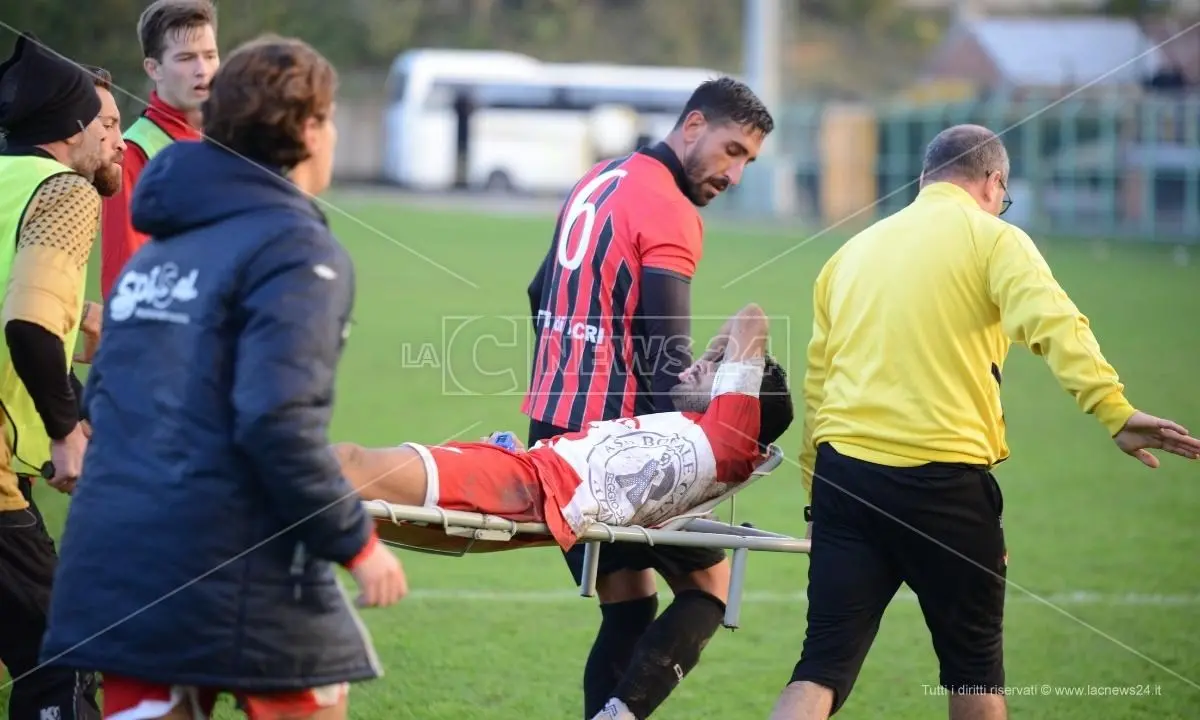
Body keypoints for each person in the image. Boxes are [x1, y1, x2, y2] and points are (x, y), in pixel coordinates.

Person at [770, 124, 1200, 720]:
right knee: (974, 678)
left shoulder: (849, 254)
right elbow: (1057, 325)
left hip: (846, 482)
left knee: (819, 669)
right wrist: (1114, 410)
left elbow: (819, 382)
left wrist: (817, 499)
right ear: (993, 182)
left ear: (926, 178)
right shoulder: (995, 239)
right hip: (943, 484)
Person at [39, 34, 407, 720]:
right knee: (318, 693)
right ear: (307, 129)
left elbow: (104, 404)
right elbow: (275, 420)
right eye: (327, 119)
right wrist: (357, 544)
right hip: (223, 566)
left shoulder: (159, 253)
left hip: (112, 569)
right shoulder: (298, 248)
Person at [521, 76, 774, 720]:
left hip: (549, 435)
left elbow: (535, 291)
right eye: (733, 150)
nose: (735, 175)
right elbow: (666, 379)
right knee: (710, 585)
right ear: (693, 126)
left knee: (630, 604)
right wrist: (729, 382)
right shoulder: (670, 211)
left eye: (748, 160)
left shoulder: (599, 178)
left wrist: (569, 370)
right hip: (612, 454)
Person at [339, 304, 792, 561]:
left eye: (716, 366)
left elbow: (750, 318)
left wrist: (720, 367)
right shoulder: (703, 437)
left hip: (523, 484)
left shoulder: (728, 440)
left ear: (743, 402)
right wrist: (711, 372)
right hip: (521, 473)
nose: (698, 364)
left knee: (349, 467)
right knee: (350, 486)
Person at [0, 33, 126, 720]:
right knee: (64, 652)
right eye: (104, 123)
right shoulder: (65, 192)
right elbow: (24, 324)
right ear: (74, 126)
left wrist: (76, 318)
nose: (114, 140)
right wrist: (67, 428)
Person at [99, 0, 219, 298]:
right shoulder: (131, 153)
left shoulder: (226, 141)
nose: (202, 70)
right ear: (154, 68)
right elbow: (122, 277)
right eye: (186, 58)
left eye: (210, 55)